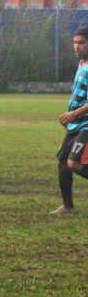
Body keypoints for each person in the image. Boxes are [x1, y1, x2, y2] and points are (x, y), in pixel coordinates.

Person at [52, 26, 88, 214]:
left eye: (81, 43)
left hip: (86, 124)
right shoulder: (82, 63)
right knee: (63, 162)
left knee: (74, 163)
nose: (76, 46)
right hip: (75, 122)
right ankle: (68, 206)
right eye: (75, 42)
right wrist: (71, 115)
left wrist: (73, 114)